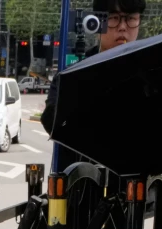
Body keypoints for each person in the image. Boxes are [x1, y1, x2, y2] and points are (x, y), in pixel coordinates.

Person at [41, 0, 145, 173]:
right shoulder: (73, 74)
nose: (122, 27)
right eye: (114, 18)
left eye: (130, 19)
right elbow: (50, 119)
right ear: (97, 22)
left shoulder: (151, 74)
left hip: (135, 181)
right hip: (82, 180)